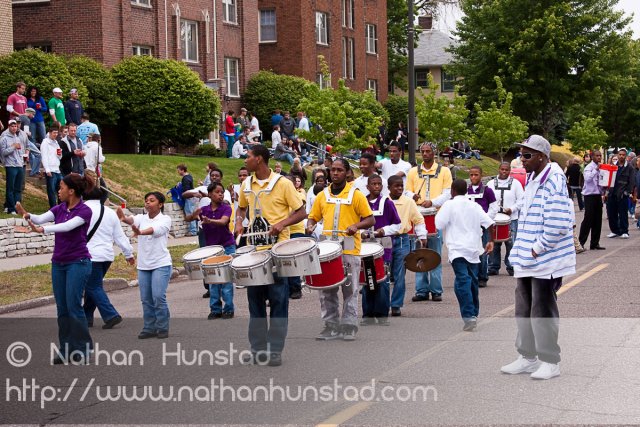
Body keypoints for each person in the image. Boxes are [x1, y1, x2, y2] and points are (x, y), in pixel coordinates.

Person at [502, 135, 576, 380]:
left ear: (542, 157)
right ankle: (528, 357)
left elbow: (559, 222)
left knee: (542, 309)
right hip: (527, 257)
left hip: (545, 259)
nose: (521, 160)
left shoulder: (555, 180)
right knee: (523, 308)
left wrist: (538, 247)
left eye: (526, 155)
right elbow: (527, 202)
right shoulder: (534, 177)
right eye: (520, 154)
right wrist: (513, 209)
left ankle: (550, 361)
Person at [235, 145, 307, 366]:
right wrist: (239, 222)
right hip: (255, 252)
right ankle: (257, 349)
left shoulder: (283, 183)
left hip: (278, 252)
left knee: (278, 301)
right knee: (254, 302)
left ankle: (274, 350)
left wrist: (281, 224)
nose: (245, 160)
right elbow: (241, 208)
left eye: (248, 156)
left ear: (259, 159)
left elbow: (302, 211)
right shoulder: (246, 184)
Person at [15, 174, 95, 364]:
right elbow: (41, 218)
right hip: (58, 263)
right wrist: (26, 214)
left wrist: (43, 230)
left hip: (78, 262)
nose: (58, 191)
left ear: (72, 190)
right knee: (62, 308)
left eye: (61, 187)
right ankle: (65, 349)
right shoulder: (60, 208)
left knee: (74, 306)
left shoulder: (84, 211)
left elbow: (67, 227)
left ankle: (83, 348)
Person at [306, 158, 375, 341]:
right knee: (327, 288)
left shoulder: (356, 194)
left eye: (339, 170)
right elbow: (313, 217)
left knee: (350, 288)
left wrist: (356, 226)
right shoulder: (322, 195)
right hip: (327, 248)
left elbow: (370, 219)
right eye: (333, 170)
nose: (335, 173)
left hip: (350, 247)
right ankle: (330, 325)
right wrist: (310, 225)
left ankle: (349, 325)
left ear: (347, 173)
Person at [436, 179, 495, 331]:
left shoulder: (449, 204)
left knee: (463, 280)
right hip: (474, 248)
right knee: (471, 280)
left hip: (457, 249)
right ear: (466, 191)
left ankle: (469, 316)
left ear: (452, 191)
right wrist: (491, 241)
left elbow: (439, 224)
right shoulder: (474, 205)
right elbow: (490, 223)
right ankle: (474, 313)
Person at [118, 192, 173, 339]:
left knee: (158, 296)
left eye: (152, 200)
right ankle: (149, 327)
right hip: (144, 265)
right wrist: (123, 218)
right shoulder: (141, 218)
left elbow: (156, 230)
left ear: (160, 204)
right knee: (146, 298)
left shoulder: (165, 219)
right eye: (146, 200)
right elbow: (131, 219)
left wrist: (140, 232)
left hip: (161, 263)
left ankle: (162, 326)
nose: (147, 203)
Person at [405, 142, 453, 302]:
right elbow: (406, 191)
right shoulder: (413, 171)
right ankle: (421, 290)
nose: (425, 154)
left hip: (435, 216)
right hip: (418, 217)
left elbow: (447, 193)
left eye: (428, 151)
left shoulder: (444, 171)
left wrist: (431, 202)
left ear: (434, 153)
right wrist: (413, 196)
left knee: (435, 254)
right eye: (422, 151)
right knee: (419, 254)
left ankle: (436, 290)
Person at [82, 186, 134, 329]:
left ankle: (111, 315)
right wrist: (128, 253)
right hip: (106, 256)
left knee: (93, 286)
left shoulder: (82, 210)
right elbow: (119, 236)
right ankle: (86, 317)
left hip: (90, 255)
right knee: (92, 286)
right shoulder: (110, 213)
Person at [185, 182, 236, 319]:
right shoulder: (204, 210)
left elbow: (224, 222)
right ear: (209, 194)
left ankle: (229, 309)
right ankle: (215, 309)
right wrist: (193, 215)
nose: (220, 194)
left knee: (226, 279)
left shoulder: (226, 208)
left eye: (222, 192)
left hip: (227, 246)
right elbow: (188, 218)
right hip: (211, 249)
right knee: (213, 280)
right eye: (217, 192)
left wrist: (209, 221)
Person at [361, 174, 401, 326]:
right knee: (367, 279)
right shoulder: (361, 201)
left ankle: (382, 314)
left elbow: (397, 224)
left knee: (382, 280)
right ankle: (368, 314)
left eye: (379, 184)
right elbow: (354, 223)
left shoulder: (387, 202)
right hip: (365, 247)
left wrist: (383, 230)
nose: (377, 187)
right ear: (368, 186)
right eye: (374, 184)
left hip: (384, 246)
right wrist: (361, 233)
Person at [388, 175, 427, 316]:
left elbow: (418, 219)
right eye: (396, 186)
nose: (399, 188)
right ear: (389, 188)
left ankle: (396, 304)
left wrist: (422, 236)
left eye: (401, 186)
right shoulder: (385, 201)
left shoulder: (408, 202)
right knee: (385, 273)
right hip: (386, 239)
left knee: (400, 274)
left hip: (402, 239)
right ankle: (383, 303)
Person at [487, 162, 524, 276]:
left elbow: (522, 200)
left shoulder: (516, 184)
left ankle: (511, 265)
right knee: (494, 243)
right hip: (494, 219)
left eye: (506, 170)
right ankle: (493, 266)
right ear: (499, 169)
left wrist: (512, 209)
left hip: (511, 218)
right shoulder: (491, 183)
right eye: (502, 169)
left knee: (511, 243)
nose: (504, 172)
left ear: (509, 171)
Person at [467, 165, 499, 288]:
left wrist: (484, 219)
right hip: (469, 226)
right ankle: (472, 275)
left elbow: (494, 207)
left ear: (481, 175)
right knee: (471, 250)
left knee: (483, 251)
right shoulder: (466, 190)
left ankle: (482, 276)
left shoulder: (487, 190)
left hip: (483, 225)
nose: (473, 177)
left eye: (476, 175)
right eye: (471, 175)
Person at [578, 151, 606, 250]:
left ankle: (594, 243)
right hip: (589, 195)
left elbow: (600, 181)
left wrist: (604, 189)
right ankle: (581, 242)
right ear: (592, 157)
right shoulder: (589, 167)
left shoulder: (601, 167)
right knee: (588, 219)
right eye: (597, 156)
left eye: (600, 156)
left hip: (598, 195)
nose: (599, 157)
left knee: (598, 220)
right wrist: (596, 170)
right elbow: (587, 179)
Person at [606, 148, 635, 239]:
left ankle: (624, 231)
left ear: (626, 156)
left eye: (623, 155)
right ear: (618, 155)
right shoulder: (613, 165)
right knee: (611, 213)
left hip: (622, 193)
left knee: (623, 214)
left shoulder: (629, 167)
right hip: (612, 193)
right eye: (620, 154)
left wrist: (627, 192)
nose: (621, 156)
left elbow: (632, 181)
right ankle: (615, 231)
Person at [1, 120, 28, 214]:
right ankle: (11, 208)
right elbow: (3, 153)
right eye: (12, 126)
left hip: (19, 165)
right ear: (8, 127)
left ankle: (17, 208)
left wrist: (23, 158)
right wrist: (13, 147)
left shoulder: (18, 137)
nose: (14, 128)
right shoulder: (4, 138)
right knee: (10, 188)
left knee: (18, 189)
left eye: (15, 126)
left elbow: (20, 151)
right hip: (10, 165)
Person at [41, 127, 63, 208]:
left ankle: (61, 208)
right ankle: (53, 209)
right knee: (51, 191)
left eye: (57, 133)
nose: (56, 135)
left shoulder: (56, 142)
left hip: (57, 169)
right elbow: (44, 156)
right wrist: (47, 169)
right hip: (50, 170)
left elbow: (59, 157)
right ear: (49, 133)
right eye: (54, 133)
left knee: (60, 190)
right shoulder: (45, 142)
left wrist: (60, 154)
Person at [177, 164, 197, 236]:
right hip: (192, 197)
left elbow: (186, 188)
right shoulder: (189, 176)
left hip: (189, 197)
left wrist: (181, 189)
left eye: (179, 170)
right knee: (192, 212)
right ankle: (194, 230)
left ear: (182, 170)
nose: (178, 172)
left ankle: (193, 231)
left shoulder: (185, 178)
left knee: (190, 213)